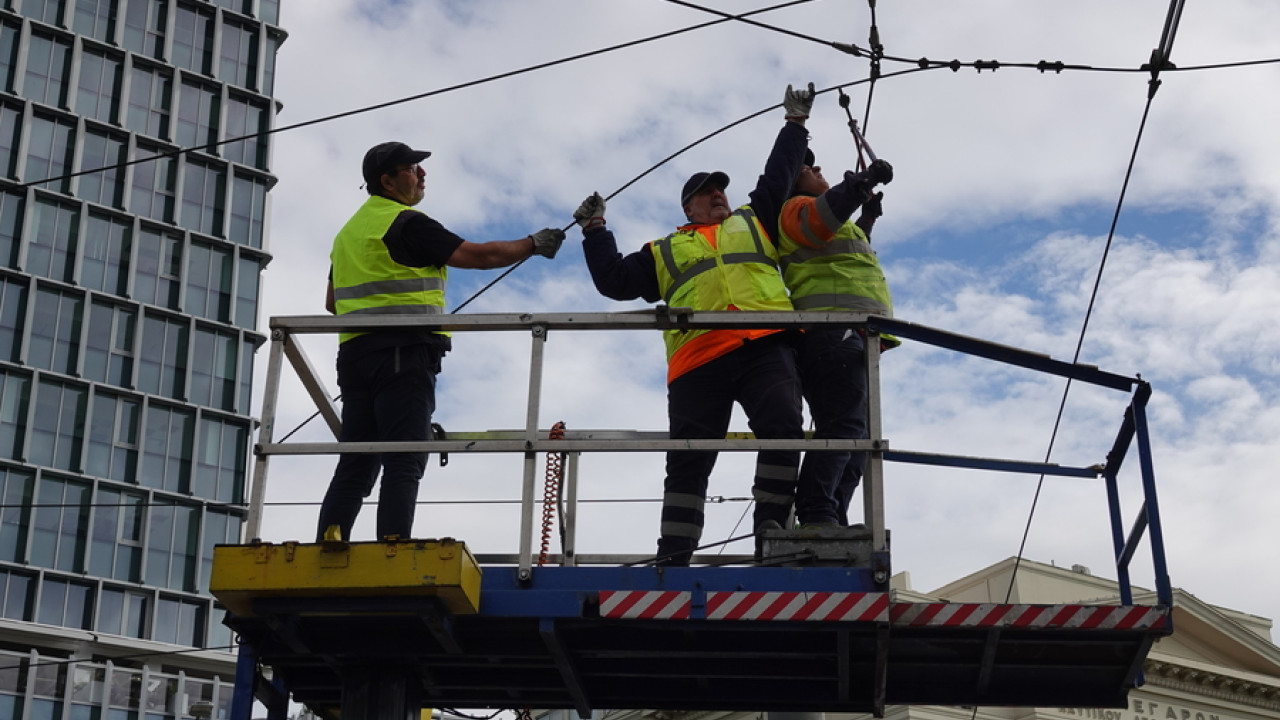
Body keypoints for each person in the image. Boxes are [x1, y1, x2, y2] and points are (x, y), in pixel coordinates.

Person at [574, 84, 816, 566]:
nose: (718, 194)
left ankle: (771, 536)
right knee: (688, 458)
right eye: (707, 192)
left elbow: (778, 174)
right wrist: (595, 229)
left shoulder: (754, 220)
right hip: (698, 360)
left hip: (763, 345)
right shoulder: (663, 250)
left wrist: (794, 124)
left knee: (784, 429)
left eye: (720, 188)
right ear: (688, 208)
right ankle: (673, 557)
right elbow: (614, 280)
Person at [316, 141, 566, 542]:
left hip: (354, 357)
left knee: (357, 461)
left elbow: (332, 302)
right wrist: (533, 244)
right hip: (403, 353)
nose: (422, 174)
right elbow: (479, 256)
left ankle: (331, 538)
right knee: (405, 455)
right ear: (388, 181)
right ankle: (392, 545)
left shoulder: (348, 234)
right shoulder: (405, 223)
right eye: (412, 168)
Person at [775, 147, 896, 528]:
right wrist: (862, 182)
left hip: (851, 333)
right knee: (843, 425)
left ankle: (832, 515)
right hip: (831, 331)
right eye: (808, 167)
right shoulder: (795, 209)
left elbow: (838, 249)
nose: (818, 168)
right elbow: (823, 220)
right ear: (794, 181)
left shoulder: (824, 217)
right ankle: (816, 511)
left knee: (858, 435)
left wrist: (867, 218)